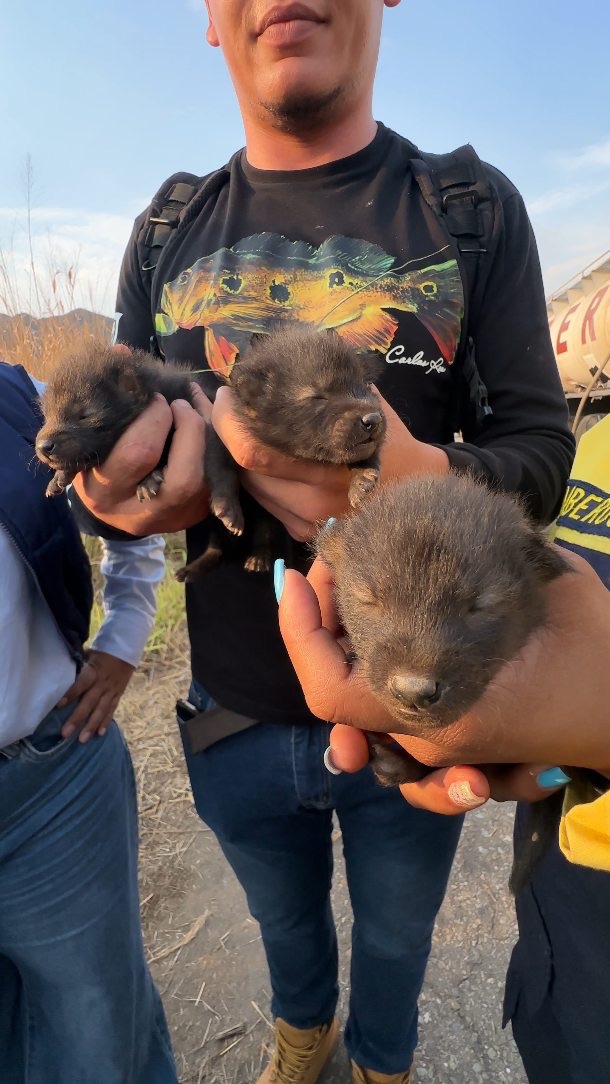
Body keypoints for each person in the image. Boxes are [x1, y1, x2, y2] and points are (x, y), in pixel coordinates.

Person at [71, 3, 575, 1081]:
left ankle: (381, 1060)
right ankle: (306, 1037)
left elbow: (541, 453)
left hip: (416, 702)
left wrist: (404, 477)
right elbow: (107, 451)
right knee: (284, 925)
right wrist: (119, 493)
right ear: (209, 17)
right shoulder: (168, 227)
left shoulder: (469, 207)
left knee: (395, 935)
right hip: (235, 715)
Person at [277, 412, 610, 1084]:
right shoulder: (598, 449)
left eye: (473, 608)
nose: (413, 674)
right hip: (566, 915)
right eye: (371, 600)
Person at [0, 360, 177, 1084]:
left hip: (52, 779)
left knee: (99, 1030)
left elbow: (130, 500)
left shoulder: (20, 396)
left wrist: (126, 633)